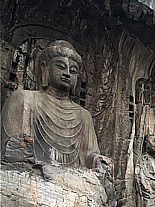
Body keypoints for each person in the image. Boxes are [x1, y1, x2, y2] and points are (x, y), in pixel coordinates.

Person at [1, 40, 113, 170]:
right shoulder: (23, 99)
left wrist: (97, 160)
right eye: (60, 67)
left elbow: (88, 154)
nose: (67, 74)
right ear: (45, 68)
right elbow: (10, 148)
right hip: (31, 175)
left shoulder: (84, 115)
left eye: (73, 71)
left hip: (73, 180)